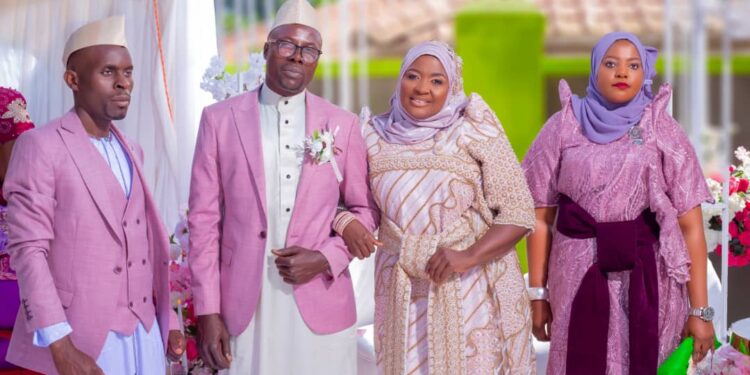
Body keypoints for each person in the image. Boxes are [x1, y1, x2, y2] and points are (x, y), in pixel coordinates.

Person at [187, 0, 379, 373]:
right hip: (245, 302)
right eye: (287, 45)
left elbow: (365, 211)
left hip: (319, 296)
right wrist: (208, 311)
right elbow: (203, 221)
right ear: (266, 50)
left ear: (317, 60)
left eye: (308, 50)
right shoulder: (219, 120)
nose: (296, 57)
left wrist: (325, 258)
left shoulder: (343, 124)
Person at [336, 41, 537, 374]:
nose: (422, 88)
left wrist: (466, 256)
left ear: (452, 86)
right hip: (400, 294)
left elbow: (518, 210)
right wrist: (346, 222)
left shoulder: (474, 129)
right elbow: (348, 202)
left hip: (469, 290)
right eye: (413, 76)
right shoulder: (370, 134)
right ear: (400, 78)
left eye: (436, 80)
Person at [522, 32, 715, 374]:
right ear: (595, 69)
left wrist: (700, 311)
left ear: (644, 74)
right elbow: (538, 216)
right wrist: (538, 294)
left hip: (648, 278)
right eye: (611, 64)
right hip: (577, 276)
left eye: (633, 65)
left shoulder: (661, 128)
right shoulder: (563, 125)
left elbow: (690, 224)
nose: (622, 73)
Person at [4, 16, 184, 375]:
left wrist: (172, 324)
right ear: (73, 80)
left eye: (128, 72)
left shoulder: (132, 149)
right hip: (80, 335)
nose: (123, 83)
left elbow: (142, 243)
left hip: (144, 333)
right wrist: (59, 342)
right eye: (107, 72)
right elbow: (28, 249)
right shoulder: (39, 146)